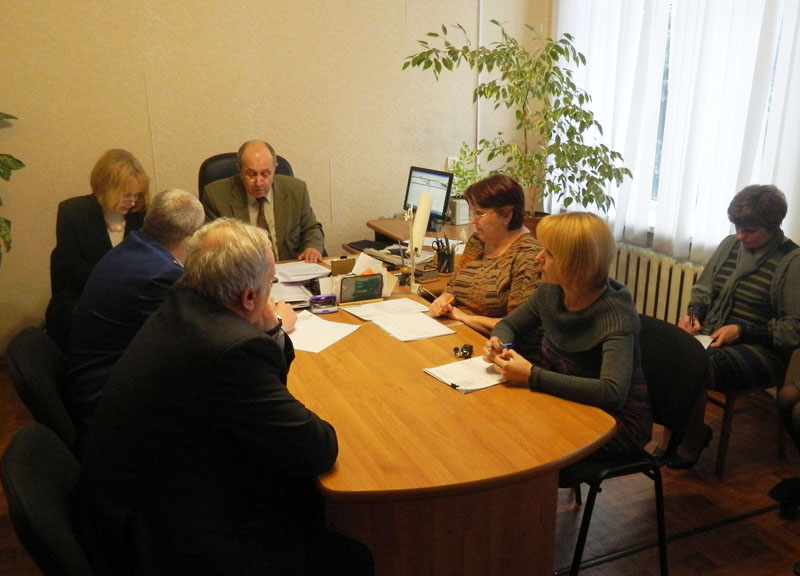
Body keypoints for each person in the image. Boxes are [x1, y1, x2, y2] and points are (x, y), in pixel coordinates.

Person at [76, 218, 372, 576]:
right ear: (248, 297)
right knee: (352, 554)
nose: (270, 294)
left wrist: (268, 332)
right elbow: (319, 448)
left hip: (136, 498)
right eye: (269, 284)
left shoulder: (183, 300)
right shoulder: (229, 350)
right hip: (164, 542)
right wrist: (272, 328)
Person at [483, 212, 652, 476]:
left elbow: (612, 392)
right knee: (499, 425)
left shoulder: (616, 315)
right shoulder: (551, 291)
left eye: (549, 254)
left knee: (517, 443)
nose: (538, 258)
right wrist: (500, 343)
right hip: (567, 401)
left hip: (615, 421)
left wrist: (532, 376)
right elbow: (508, 325)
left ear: (577, 264)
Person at [665, 185, 800, 473]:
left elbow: (793, 329)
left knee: (693, 363)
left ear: (773, 226)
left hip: (760, 351)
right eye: (737, 227)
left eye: (749, 230)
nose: (740, 235)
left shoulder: (792, 262)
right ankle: (678, 432)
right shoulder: (730, 246)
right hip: (713, 336)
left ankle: (690, 437)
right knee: (664, 348)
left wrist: (742, 331)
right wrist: (695, 315)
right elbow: (704, 290)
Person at [62, 189, 205, 448]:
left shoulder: (133, 248)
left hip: (94, 383)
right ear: (192, 237)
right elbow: (195, 343)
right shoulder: (160, 274)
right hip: (108, 408)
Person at [45, 148, 150, 351]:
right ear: (105, 188)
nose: (133, 201)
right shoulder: (73, 214)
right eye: (126, 195)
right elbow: (73, 270)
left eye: (136, 195)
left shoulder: (141, 214)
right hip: (84, 299)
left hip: (130, 300)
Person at [428, 174, 542, 335]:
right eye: (472, 212)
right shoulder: (478, 241)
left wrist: (463, 317)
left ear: (507, 215)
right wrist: (443, 300)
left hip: (493, 343)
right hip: (457, 329)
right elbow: (453, 286)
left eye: (479, 213)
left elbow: (516, 325)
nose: (472, 220)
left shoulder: (529, 256)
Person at [202, 140, 326, 262]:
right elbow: (210, 246)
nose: (259, 182)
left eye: (265, 174)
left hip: (289, 268)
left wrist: (313, 247)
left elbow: (311, 228)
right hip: (242, 270)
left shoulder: (296, 190)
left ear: (275, 168)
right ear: (239, 169)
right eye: (251, 174)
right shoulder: (215, 196)